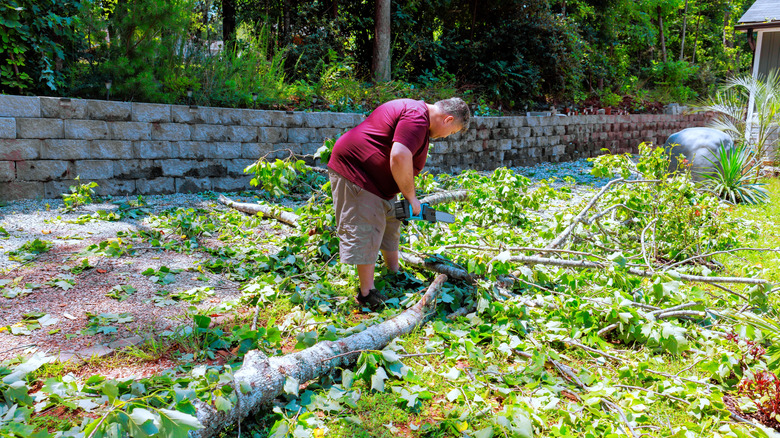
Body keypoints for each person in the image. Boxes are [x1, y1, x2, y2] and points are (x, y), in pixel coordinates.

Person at [327, 97, 470, 310]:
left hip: (379, 183)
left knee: (390, 221)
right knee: (369, 226)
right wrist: (412, 199)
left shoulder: (420, 120)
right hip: (358, 174)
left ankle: (393, 271)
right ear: (448, 119)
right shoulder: (416, 117)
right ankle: (367, 293)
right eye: (451, 132)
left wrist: (407, 193)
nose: (445, 136)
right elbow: (400, 155)